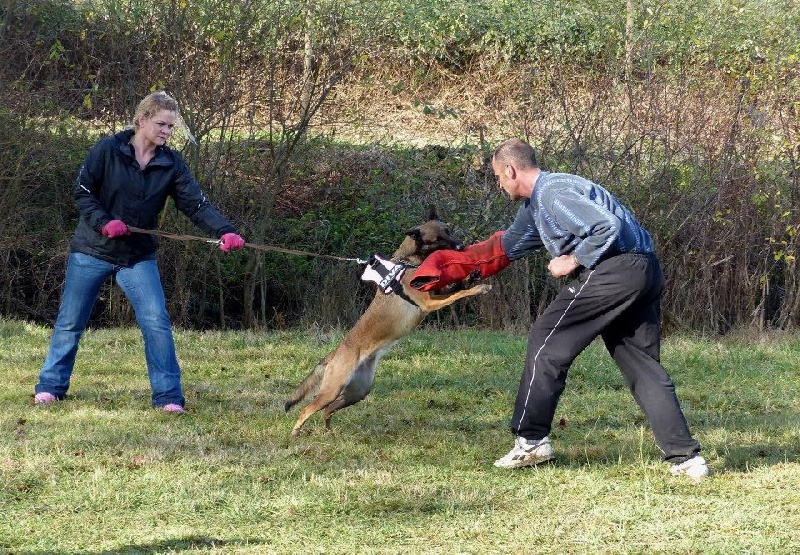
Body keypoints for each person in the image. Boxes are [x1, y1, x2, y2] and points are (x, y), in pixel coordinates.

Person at [411, 138, 708, 479]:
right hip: (643, 270)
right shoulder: (536, 207)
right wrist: (446, 265)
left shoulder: (552, 193)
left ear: (510, 170)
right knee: (641, 366)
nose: (498, 184)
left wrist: (572, 260)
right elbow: (502, 249)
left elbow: (605, 227)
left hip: (613, 271)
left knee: (547, 342)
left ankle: (532, 439)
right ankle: (686, 458)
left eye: (497, 177)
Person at [33, 91, 245, 414]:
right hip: (92, 249)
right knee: (70, 321)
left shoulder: (171, 164)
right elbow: (82, 191)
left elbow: (196, 204)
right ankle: (50, 387)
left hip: (137, 256)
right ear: (142, 120)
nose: (167, 132)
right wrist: (104, 222)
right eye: (161, 124)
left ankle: (168, 397)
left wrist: (224, 230)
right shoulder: (107, 150)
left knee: (156, 321)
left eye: (171, 127)